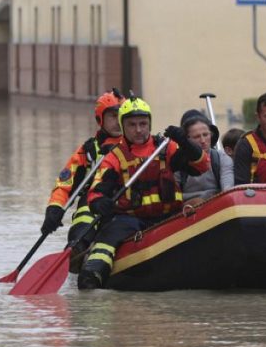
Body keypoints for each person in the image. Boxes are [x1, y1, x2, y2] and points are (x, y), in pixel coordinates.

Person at [77, 97, 210, 289]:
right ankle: (92, 274)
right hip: (130, 219)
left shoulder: (166, 148)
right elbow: (96, 193)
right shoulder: (114, 157)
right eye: (132, 125)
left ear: (150, 123)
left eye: (143, 124)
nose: (139, 130)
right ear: (123, 126)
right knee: (109, 236)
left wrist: (185, 142)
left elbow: (201, 166)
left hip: (167, 216)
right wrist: (100, 203)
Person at [41, 89, 124, 272]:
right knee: (86, 208)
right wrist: (54, 209)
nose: (118, 121)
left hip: (125, 202)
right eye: (112, 116)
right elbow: (65, 184)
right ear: (100, 120)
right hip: (95, 203)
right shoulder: (88, 151)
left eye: (121, 115)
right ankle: (76, 248)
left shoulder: (136, 144)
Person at [177, 109, 234, 205]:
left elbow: (228, 192)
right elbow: (172, 200)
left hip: (217, 208)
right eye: (196, 137)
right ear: (186, 140)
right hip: (185, 213)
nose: (203, 140)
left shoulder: (222, 158)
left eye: (206, 134)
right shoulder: (176, 162)